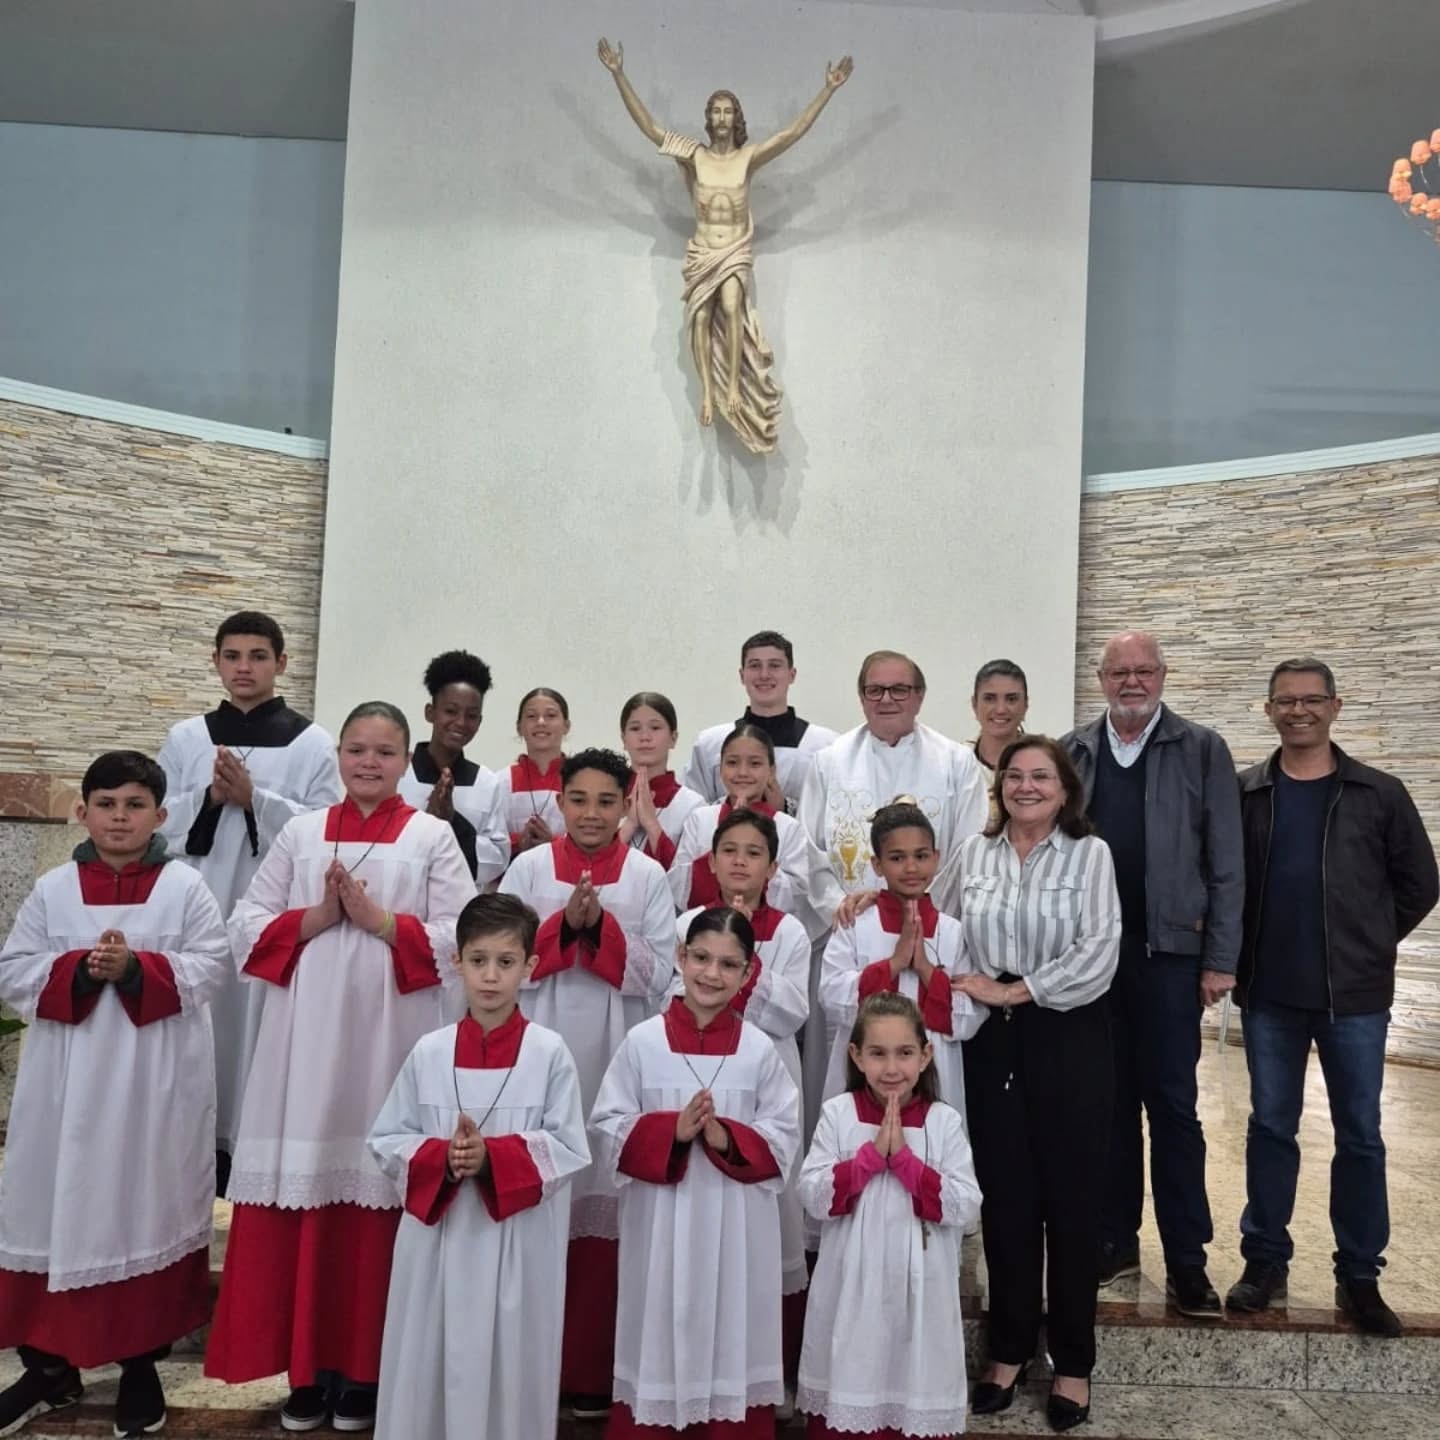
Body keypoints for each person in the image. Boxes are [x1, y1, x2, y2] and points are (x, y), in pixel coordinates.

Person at [205, 701, 475, 1434]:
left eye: (385, 752)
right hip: (303, 1048)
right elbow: (245, 926)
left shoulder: (430, 836)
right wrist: (320, 917)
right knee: (305, 1202)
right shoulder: (301, 833)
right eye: (356, 748)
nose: (368, 762)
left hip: (390, 1044)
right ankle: (304, 1370)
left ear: (406, 761)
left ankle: (363, 1372)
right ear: (339, 757)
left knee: (371, 1204)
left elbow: (464, 937)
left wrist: (380, 922)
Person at [0, 751, 230, 1440]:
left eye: (134, 805)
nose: (119, 818)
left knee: (143, 1210)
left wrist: (136, 969)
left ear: (161, 815)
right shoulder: (54, 889)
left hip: (152, 1091)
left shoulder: (185, 887)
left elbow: (214, 966)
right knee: (52, 1210)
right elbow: (14, 970)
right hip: (63, 1094)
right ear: (83, 812)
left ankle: (139, 1366)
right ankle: (48, 1368)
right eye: (106, 804)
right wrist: (79, 968)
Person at [1225, 659, 1438, 1336]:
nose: (1299, 711)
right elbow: (1225, 882)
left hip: (1356, 997)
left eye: (1312, 700)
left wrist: (1369, 941)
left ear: (1335, 707)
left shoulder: (1380, 793)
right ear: (1269, 710)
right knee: (1270, 1128)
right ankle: (1264, 1259)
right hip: (1270, 994)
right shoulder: (1245, 793)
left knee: (1361, 1136)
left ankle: (1359, 1274)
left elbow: (1421, 883)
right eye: (1286, 701)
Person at [1060, 631, 1243, 1317]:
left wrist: (1220, 959)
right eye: (1119, 672)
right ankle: (1116, 1242)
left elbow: (1227, 862)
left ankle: (1188, 1259)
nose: (1131, 682)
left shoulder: (1202, 749)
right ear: (1101, 678)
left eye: (1143, 670)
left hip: (1169, 956)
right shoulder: (1074, 751)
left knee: (1172, 1107)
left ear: (1163, 675)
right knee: (1106, 1104)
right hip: (1093, 955)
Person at [368, 893, 591, 1440]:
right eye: (478, 960)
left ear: (530, 967)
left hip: (518, 1249)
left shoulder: (549, 1053)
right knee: (428, 1362)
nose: (491, 976)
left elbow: (568, 1147)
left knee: (510, 1371)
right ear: (457, 962)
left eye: (506, 962)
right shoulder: (429, 1051)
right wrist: (441, 1158)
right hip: (437, 1247)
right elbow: (388, 1139)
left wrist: (495, 1157)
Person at [498, 747, 678, 1417]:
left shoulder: (646, 875)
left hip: (614, 1055)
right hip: (537, 1056)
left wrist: (597, 926)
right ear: (559, 802)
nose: (592, 814)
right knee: (542, 1199)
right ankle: (528, 1366)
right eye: (579, 800)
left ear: (627, 803)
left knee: (601, 1202)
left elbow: (659, 976)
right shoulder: (527, 868)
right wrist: (560, 927)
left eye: (607, 801)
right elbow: (501, 960)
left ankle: (590, 1370)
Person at [951, 736, 1121, 1434]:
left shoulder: (1090, 854)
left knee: (1072, 1201)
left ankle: (1073, 1361)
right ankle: (1010, 1349)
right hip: (992, 1040)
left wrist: (1014, 990)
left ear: (1065, 788)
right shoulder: (975, 852)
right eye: (1014, 776)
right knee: (1008, 1197)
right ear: (999, 787)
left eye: (1040, 776)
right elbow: (936, 916)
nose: (1026, 786)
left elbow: (1099, 950)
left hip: (1069, 1031)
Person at [590, 907, 801, 1437]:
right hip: (661, 1226)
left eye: (728, 964)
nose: (712, 974)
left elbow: (784, 1136)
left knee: (733, 1335)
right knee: (659, 1332)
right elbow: (608, 1127)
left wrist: (725, 1138)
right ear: (680, 958)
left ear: (748, 973)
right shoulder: (642, 1042)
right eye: (701, 958)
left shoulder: (759, 1050)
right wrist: (672, 1132)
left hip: (737, 1234)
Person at [157, 610, 341, 1189]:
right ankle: (188, 1148)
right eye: (232, 656)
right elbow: (155, 818)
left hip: (270, 906)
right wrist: (210, 798)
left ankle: (248, 1150)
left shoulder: (312, 742)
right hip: (199, 897)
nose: (244, 667)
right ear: (215, 661)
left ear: (280, 663)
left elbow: (324, 827)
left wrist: (255, 798)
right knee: (198, 1017)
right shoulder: (187, 738)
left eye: (258, 656)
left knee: (256, 1023)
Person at [597, 41, 853, 452]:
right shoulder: (693, 156)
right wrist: (618, 74)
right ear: (708, 118)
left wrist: (828, 89)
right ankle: (707, 392)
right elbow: (649, 128)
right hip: (703, 251)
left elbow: (792, 134)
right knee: (699, 318)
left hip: (733, 250)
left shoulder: (748, 157)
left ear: (737, 118)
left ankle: (732, 386)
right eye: (715, 111)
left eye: (727, 111)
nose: (721, 118)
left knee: (733, 306)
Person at [797, 993, 981, 1440]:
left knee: (911, 1383)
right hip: (850, 1288)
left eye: (904, 1053)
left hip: (919, 1293)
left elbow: (965, 1203)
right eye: (878, 1053)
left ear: (926, 1056)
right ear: (856, 1055)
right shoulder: (838, 1114)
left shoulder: (943, 1122)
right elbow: (814, 1196)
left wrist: (905, 1162)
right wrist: (870, 1156)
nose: (892, 1068)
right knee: (849, 1382)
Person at [672, 809, 812, 1308]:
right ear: (710, 861)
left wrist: (745, 960)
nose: (739, 862)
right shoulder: (688, 924)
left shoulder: (790, 931)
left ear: (772, 868)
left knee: (761, 1184)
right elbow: (674, 995)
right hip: (698, 1066)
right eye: (729, 851)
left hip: (766, 1067)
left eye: (754, 854)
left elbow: (793, 1012)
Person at [818, 801, 985, 1120]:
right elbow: (831, 995)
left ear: (936, 857)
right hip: (864, 1070)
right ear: (877, 864)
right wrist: (893, 964)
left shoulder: (953, 932)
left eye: (921, 856)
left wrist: (924, 968)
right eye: (897, 858)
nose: (911, 868)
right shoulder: (855, 923)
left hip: (935, 1072)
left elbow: (970, 1015)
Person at [800, 650, 987, 899]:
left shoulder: (957, 763)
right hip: (848, 918)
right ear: (862, 698)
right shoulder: (829, 762)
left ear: (919, 697)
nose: (886, 699)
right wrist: (843, 909)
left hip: (933, 916)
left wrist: (921, 911)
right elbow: (809, 850)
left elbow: (967, 851)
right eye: (875, 690)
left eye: (899, 690)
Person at [670, 724, 841, 938]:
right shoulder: (700, 819)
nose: (743, 772)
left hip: (769, 938)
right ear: (720, 769)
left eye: (755, 764)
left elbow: (798, 898)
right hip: (705, 932)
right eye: (732, 763)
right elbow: (678, 887)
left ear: (771, 771)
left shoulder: (788, 827)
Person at [683, 631, 838, 812]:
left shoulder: (826, 745)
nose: (764, 675)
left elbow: (832, 815)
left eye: (775, 665)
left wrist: (783, 808)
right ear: (742, 675)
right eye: (755, 666)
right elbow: (693, 811)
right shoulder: (710, 744)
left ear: (792, 674)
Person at [398, 649, 509, 885]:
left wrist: (453, 822)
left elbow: (498, 858)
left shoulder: (486, 781)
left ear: (480, 721)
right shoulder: (398, 772)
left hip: (460, 900)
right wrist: (427, 824)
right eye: (450, 711)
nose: (460, 722)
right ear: (430, 713)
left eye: (472, 715)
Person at [618, 692, 706, 868]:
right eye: (635, 729)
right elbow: (591, 862)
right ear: (624, 740)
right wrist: (629, 825)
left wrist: (652, 825)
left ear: (673, 738)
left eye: (655, 728)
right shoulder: (607, 796)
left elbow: (687, 875)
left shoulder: (693, 805)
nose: (645, 737)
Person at [494, 687, 570, 861]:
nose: (541, 722)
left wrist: (553, 843)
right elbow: (490, 839)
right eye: (531, 716)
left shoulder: (580, 779)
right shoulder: (501, 781)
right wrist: (518, 842)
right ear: (519, 727)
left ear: (566, 726)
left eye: (550, 715)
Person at [969, 659, 1029, 816]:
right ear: (974, 704)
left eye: (1011, 699)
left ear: (1026, 705)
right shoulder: (957, 762)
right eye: (989, 699)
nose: (1001, 709)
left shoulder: (1045, 761)